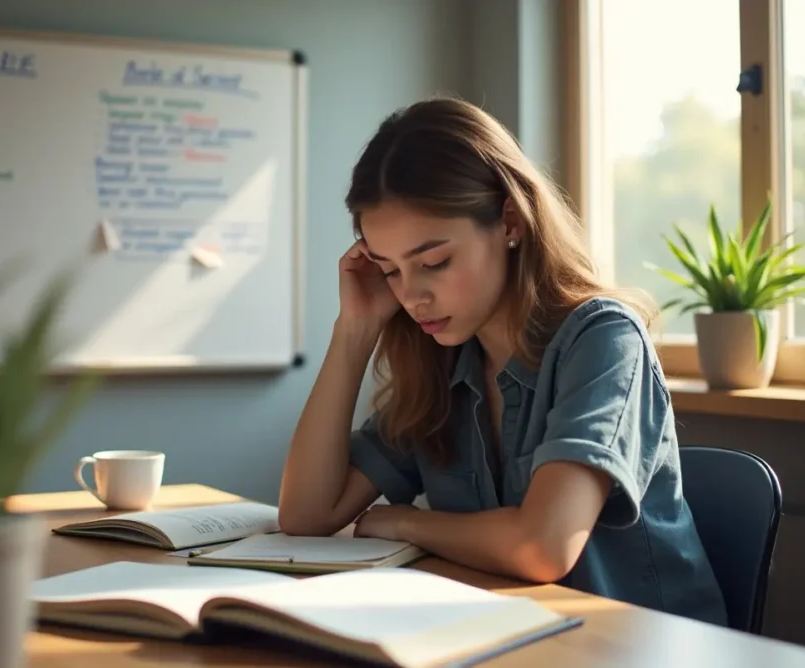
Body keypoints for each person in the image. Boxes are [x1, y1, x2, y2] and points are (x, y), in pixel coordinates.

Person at [277, 96, 728, 626]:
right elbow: (306, 515)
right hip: (510, 633)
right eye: (390, 270)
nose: (412, 296)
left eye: (434, 262)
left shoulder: (604, 340)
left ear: (510, 221)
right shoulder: (441, 364)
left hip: (640, 645)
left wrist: (405, 523)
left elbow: (544, 547)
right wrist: (354, 330)